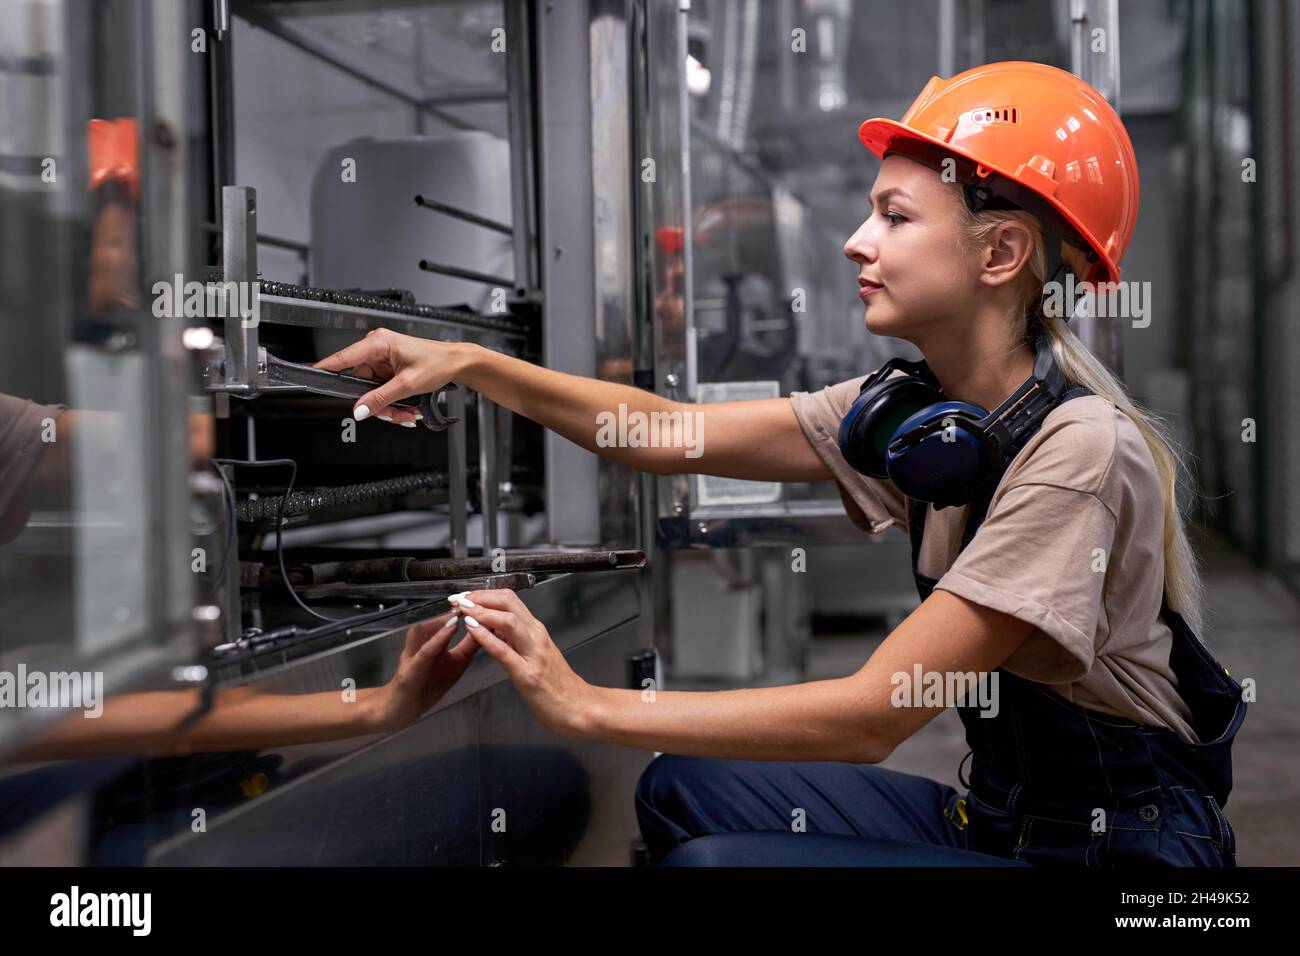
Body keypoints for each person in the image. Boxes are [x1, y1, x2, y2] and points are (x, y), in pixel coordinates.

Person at [314, 62, 1245, 867]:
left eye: (893, 214)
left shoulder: (1074, 449)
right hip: (1006, 816)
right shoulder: (920, 418)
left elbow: (870, 718)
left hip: (1117, 852)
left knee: (723, 862)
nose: (856, 241)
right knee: (686, 790)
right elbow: (664, 434)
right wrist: (473, 363)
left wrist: (584, 706)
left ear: (1000, 251)